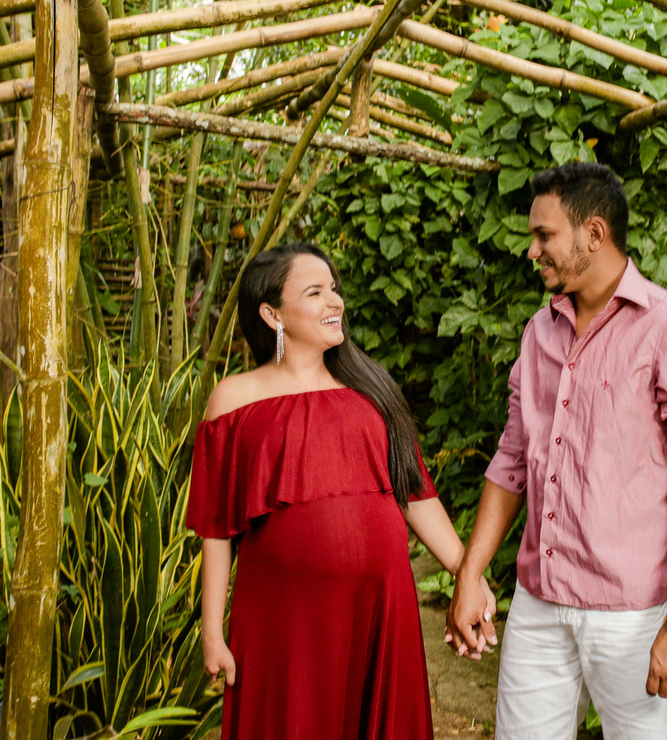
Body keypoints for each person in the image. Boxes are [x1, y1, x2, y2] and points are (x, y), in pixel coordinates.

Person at [445, 163, 667, 739]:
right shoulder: (539, 333)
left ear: (595, 233)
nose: (532, 251)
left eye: (544, 235)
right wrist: (470, 573)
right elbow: (511, 461)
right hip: (538, 606)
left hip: (634, 617)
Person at [187, 242, 493, 739]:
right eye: (315, 292)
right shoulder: (234, 399)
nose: (336, 301)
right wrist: (212, 631)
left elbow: (416, 494)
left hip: (380, 609)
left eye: (334, 288)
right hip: (284, 618)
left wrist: (468, 575)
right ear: (272, 314)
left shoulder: (370, 391)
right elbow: (216, 528)